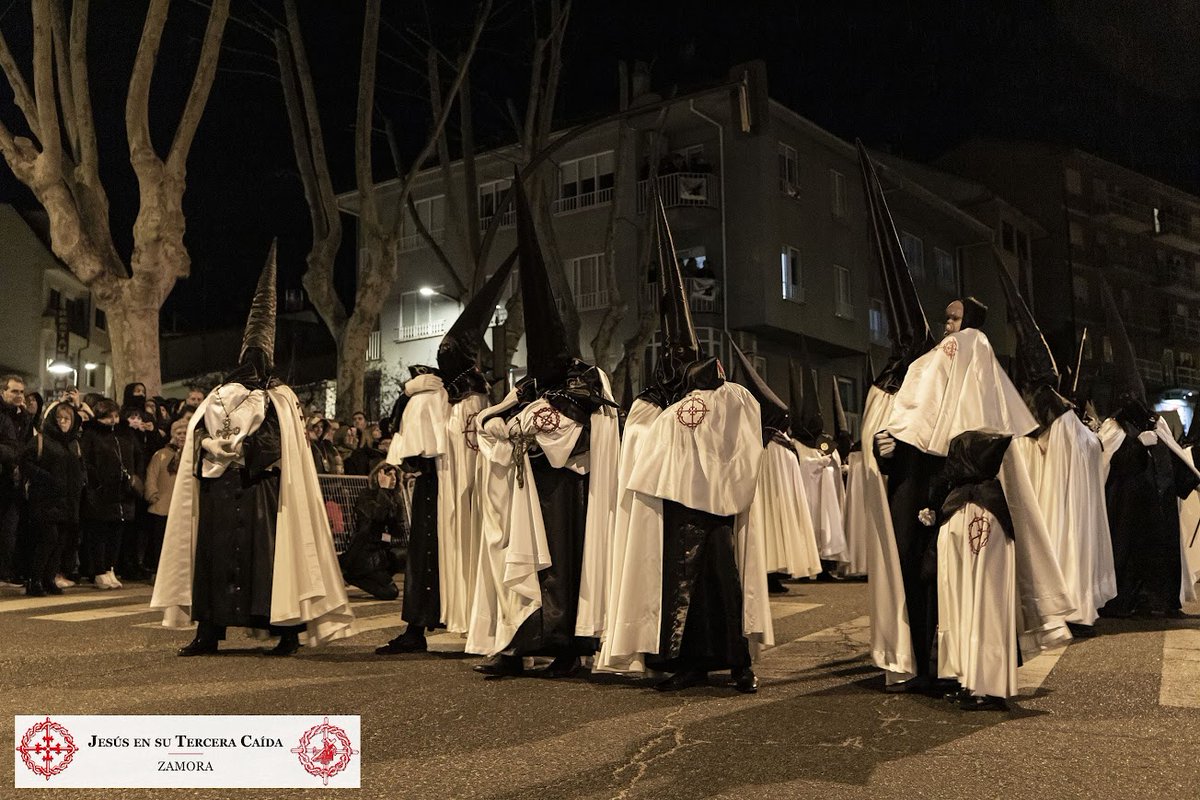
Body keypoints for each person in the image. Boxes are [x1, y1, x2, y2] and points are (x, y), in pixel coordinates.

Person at [598, 191, 770, 693]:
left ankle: (738, 663)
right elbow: (642, 446)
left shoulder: (727, 396)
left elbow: (743, 426)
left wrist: (708, 390)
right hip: (678, 509)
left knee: (721, 583)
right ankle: (689, 662)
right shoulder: (658, 408)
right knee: (681, 589)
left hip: (714, 510)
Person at [151, 241, 353, 656]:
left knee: (272, 561)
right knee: (213, 560)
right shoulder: (217, 395)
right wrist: (210, 446)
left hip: (264, 492)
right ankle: (208, 630)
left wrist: (245, 451)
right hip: (219, 492)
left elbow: (284, 444)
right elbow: (193, 438)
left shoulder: (280, 397)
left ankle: (287, 632)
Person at [467, 174, 619, 679]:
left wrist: (524, 429)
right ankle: (519, 642)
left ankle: (567, 647)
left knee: (563, 567)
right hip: (527, 489)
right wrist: (502, 426)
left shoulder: (584, 378)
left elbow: (573, 431)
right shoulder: (531, 383)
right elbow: (492, 420)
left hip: (568, 490)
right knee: (529, 566)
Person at [996, 253, 1115, 636]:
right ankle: (1069, 604)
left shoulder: (1033, 412)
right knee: (1065, 543)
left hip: (1054, 502)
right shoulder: (1058, 415)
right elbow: (1089, 451)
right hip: (1060, 505)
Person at [1097, 284, 1200, 619]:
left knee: (1161, 554)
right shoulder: (1113, 428)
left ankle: (1162, 599)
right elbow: (1102, 466)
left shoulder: (1158, 424)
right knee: (1129, 554)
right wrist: (1133, 447)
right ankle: (1126, 599)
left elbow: (1174, 456)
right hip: (1127, 509)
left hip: (1159, 509)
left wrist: (1190, 480)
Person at [728, 340, 822, 592]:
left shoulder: (777, 442)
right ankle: (766, 568)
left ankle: (772, 568)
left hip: (773, 474)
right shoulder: (768, 441)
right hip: (764, 474)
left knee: (773, 516)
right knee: (767, 515)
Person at [19, 403, 84, 596]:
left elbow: (80, 467)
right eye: (60, 419)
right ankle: (35, 578)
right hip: (45, 498)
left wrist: (81, 482)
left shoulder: (74, 443)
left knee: (60, 541)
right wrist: (46, 478)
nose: (64, 423)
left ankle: (48, 578)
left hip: (68, 500)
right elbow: (26, 463)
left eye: (68, 419)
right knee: (48, 538)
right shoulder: (41, 439)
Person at [81, 398, 142, 589]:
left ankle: (110, 568)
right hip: (101, 493)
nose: (113, 420)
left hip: (123, 493)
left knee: (117, 533)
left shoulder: (126, 434)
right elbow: (86, 461)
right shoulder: (91, 434)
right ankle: (98, 570)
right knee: (99, 533)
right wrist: (97, 482)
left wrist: (135, 477)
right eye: (108, 417)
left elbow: (138, 456)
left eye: (115, 416)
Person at [339, 461, 405, 601]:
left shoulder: (395, 497)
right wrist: (384, 490)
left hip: (383, 550)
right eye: (389, 474)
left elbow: (398, 530)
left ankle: (377, 576)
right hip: (365, 552)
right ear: (379, 476)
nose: (393, 478)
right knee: (390, 593)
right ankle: (352, 575)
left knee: (405, 555)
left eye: (395, 475)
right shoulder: (366, 495)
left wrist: (396, 514)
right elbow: (377, 515)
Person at [143, 419, 187, 576]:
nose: (182, 436)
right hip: (162, 505)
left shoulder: (191, 456)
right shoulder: (160, 455)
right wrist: (152, 494)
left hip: (183, 507)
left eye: (185, 433)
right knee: (160, 542)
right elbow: (151, 475)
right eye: (179, 433)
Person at [0, 374, 28, 587]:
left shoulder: (22, 416)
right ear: (3, 392)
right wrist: (12, 454)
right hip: (4, 476)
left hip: (13, 482)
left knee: (10, 530)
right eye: (14, 391)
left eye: (21, 391)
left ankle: (5, 572)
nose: (19, 395)